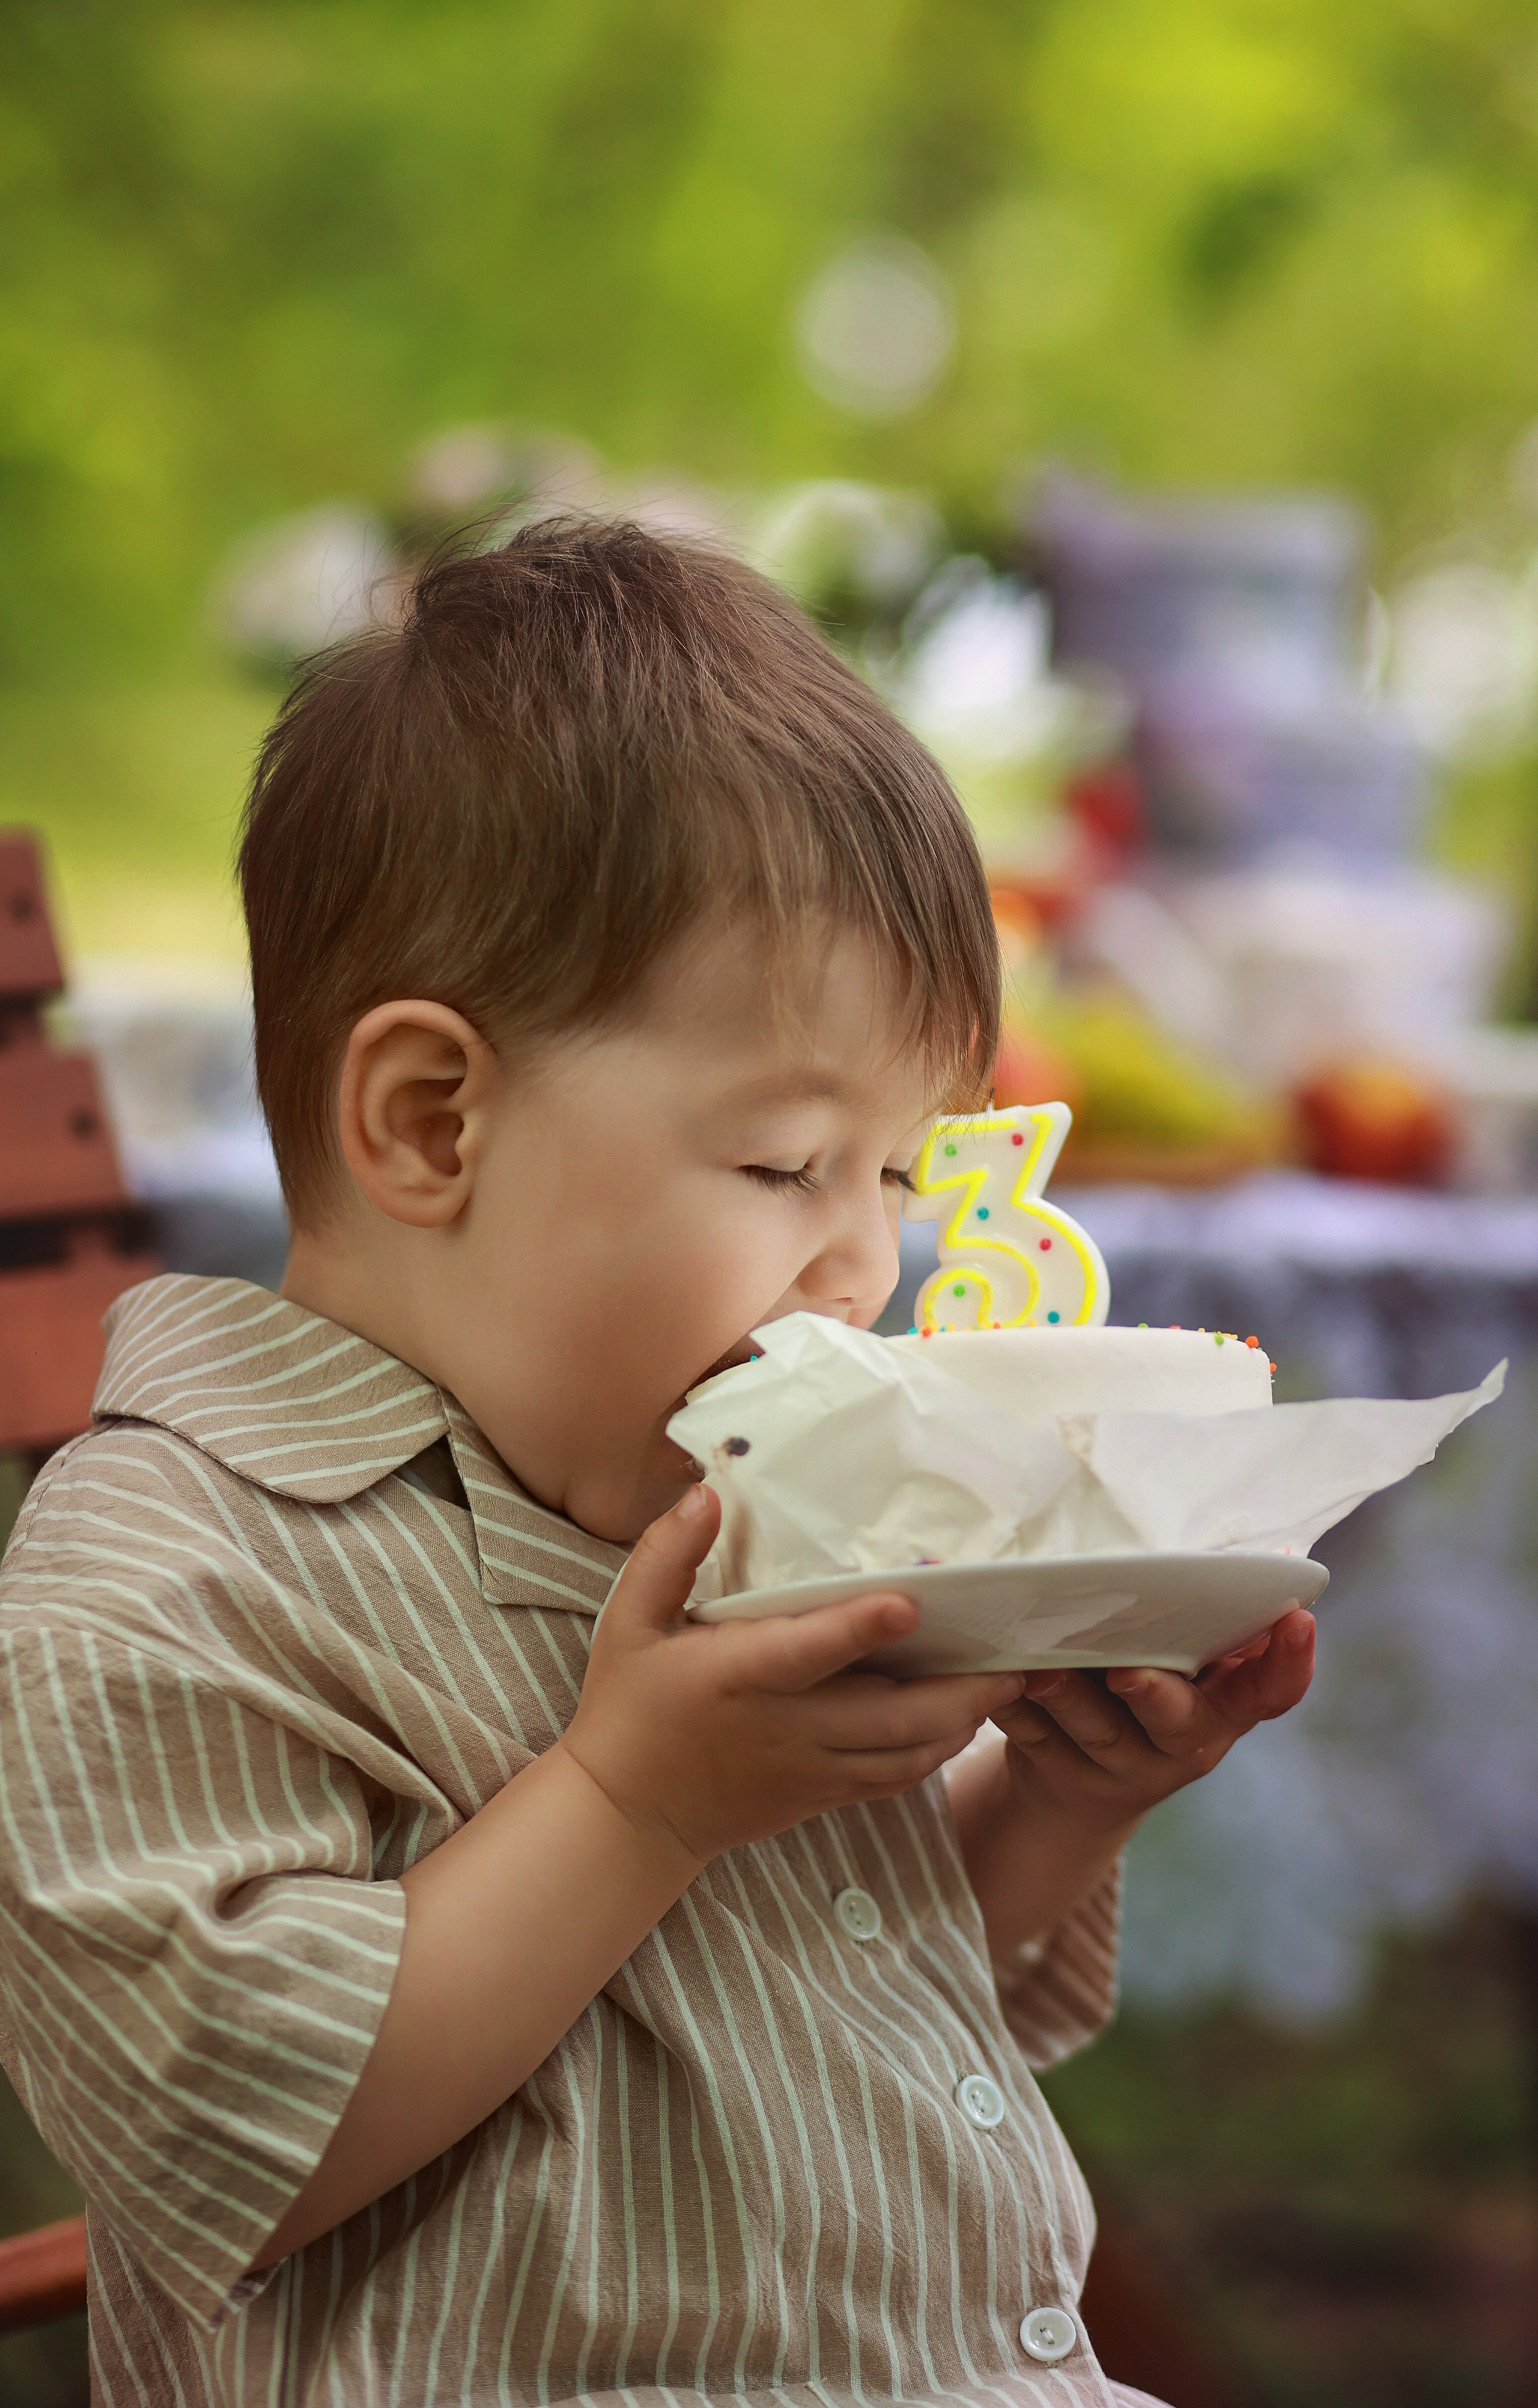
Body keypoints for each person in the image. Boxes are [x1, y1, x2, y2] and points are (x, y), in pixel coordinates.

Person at [0, 520, 1313, 2408]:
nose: (860, 1267)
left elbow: (833, 1989)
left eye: (891, 1178)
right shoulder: (178, 1567)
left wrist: (1054, 1803)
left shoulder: (724, 1499)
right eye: (785, 1166)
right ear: (431, 1122)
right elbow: (219, 2122)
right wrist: (635, 1802)